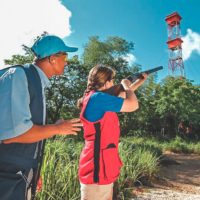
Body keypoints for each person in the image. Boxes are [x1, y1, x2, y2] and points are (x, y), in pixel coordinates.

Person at [0, 34, 82, 200]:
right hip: (7, 178)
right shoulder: (19, 75)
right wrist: (58, 128)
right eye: (65, 56)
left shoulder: (36, 81)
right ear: (52, 59)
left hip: (20, 175)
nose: (67, 61)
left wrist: (34, 170)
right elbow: (14, 134)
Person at [77, 64, 147, 200]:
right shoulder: (98, 99)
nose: (115, 83)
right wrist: (125, 84)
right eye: (113, 80)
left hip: (100, 165)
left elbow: (124, 95)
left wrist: (139, 81)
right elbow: (133, 104)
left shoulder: (97, 98)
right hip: (97, 168)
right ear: (107, 82)